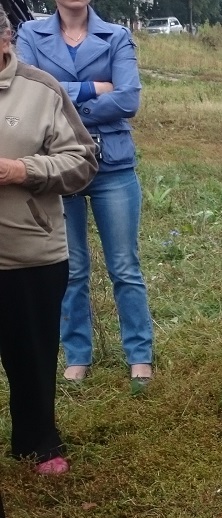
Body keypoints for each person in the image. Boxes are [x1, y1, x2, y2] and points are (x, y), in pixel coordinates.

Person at [17, 1, 153, 386]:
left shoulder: (117, 35)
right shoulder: (30, 34)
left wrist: (64, 102)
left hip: (113, 166)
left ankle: (139, 354)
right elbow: (31, 93)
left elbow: (129, 99)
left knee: (125, 267)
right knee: (71, 269)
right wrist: (95, 87)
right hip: (58, 163)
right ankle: (77, 354)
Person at [0, 5, 100, 475]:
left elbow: (82, 160)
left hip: (30, 253)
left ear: (5, 42)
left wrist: (25, 170)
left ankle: (37, 438)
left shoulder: (41, 89)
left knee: (32, 353)